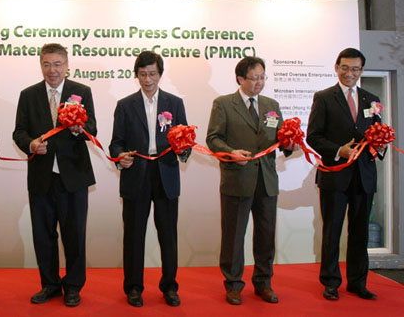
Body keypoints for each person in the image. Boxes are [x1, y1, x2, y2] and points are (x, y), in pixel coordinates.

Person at [13, 43, 96, 307]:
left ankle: (73, 286)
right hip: (41, 177)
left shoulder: (81, 92)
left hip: (72, 177)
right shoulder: (28, 95)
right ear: (41, 65)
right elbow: (19, 132)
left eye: (57, 64)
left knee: (74, 235)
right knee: (43, 235)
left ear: (67, 66)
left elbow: (92, 128)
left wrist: (77, 128)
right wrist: (32, 144)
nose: (52, 70)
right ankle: (49, 284)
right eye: (47, 64)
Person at [206, 56, 292, 305]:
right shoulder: (223, 104)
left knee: (266, 235)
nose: (259, 82)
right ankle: (233, 284)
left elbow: (282, 138)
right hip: (237, 180)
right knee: (233, 236)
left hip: (266, 180)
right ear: (240, 79)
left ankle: (263, 282)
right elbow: (213, 139)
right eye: (254, 78)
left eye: (262, 77)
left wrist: (289, 144)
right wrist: (231, 152)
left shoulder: (271, 104)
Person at [109, 51, 190, 308]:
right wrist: (120, 156)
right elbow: (116, 143)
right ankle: (133, 287)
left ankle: (169, 286)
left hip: (165, 173)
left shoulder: (175, 103)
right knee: (134, 235)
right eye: (142, 74)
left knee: (168, 235)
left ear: (160, 74)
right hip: (136, 174)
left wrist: (183, 150)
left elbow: (185, 138)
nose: (147, 79)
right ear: (136, 75)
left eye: (152, 74)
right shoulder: (125, 105)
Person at [307, 48, 382, 301]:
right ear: (336, 67)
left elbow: (377, 133)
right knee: (332, 231)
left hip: (364, 177)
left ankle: (358, 283)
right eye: (345, 68)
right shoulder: (324, 97)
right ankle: (330, 282)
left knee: (360, 232)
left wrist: (379, 145)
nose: (350, 73)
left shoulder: (372, 99)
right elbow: (313, 136)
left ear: (361, 71)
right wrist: (339, 149)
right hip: (335, 176)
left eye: (355, 69)